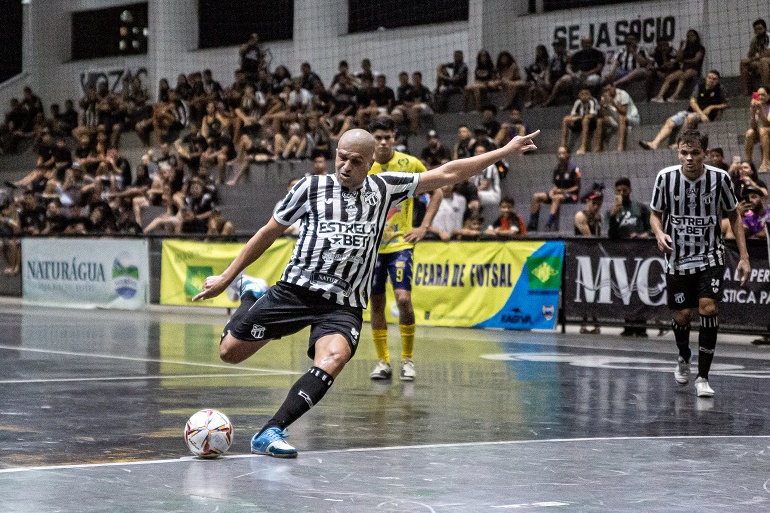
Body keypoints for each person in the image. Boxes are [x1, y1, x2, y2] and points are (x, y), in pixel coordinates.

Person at [191, 127, 539, 458]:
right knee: (229, 353)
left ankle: (271, 431)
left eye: (356, 161)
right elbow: (268, 232)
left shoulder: (385, 187)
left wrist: (504, 151)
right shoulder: (310, 188)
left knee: (334, 358)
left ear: (371, 163)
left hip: (342, 305)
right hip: (295, 292)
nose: (346, 166)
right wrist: (227, 277)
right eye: (341, 157)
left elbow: (448, 174)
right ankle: (252, 292)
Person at [649, 129, 750, 397]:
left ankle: (703, 377)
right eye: (685, 152)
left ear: (705, 153)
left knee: (707, 307)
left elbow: (735, 216)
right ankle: (684, 355)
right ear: (678, 151)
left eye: (695, 153)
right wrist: (659, 233)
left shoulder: (720, 179)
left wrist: (744, 256)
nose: (690, 158)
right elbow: (655, 215)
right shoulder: (665, 178)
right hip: (677, 258)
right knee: (681, 315)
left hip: (710, 255)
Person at [367, 116, 443, 382]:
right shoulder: (366, 164)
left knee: (402, 299)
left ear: (394, 138)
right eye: (378, 137)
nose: (384, 141)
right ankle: (383, 362)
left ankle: (407, 360)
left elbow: (438, 191)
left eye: (388, 136)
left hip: (401, 243)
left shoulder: (409, 163)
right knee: (376, 302)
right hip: (372, 246)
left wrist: (423, 227)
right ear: (372, 139)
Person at [607, 177, 651, 337]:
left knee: (640, 290)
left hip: (641, 254)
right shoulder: (611, 211)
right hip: (622, 256)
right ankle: (628, 325)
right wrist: (612, 216)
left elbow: (652, 229)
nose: (621, 193)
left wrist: (642, 235)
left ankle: (641, 326)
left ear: (630, 190)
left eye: (624, 190)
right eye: (618, 191)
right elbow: (610, 235)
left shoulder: (641, 208)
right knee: (624, 290)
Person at [640, 70, 727, 150]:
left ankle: (680, 143)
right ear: (706, 78)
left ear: (718, 80)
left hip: (706, 117)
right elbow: (692, 102)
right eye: (709, 77)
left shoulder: (720, 89)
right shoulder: (700, 86)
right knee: (670, 121)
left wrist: (711, 107)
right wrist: (701, 114)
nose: (711, 80)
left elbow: (726, 104)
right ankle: (654, 143)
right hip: (695, 112)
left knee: (690, 118)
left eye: (714, 79)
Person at [527, 146, 581, 231]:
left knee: (556, 198)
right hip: (559, 193)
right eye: (559, 153)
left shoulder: (574, 169)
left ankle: (549, 223)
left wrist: (563, 191)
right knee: (536, 196)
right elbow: (556, 185)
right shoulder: (557, 169)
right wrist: (552, 191)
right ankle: (532, 224)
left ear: (568, 155)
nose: (561, 156)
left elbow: (577, 187)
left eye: (563, 153)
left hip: (572, 195)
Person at [545, 37, 605, 107]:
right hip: (578, 74)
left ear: (592, 44)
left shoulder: (598, 53)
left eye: (588, 43)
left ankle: (587, 100)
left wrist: (587, 74)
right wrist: (572, 74)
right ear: (581, 44)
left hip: (592, 75)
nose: (586, 45)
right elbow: (568, 67)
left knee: (592, 80)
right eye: (584, 43)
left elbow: (599, 68)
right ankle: (552, 100)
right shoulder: (577, 55)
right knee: (565, 79)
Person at [575, 191, 603, 334]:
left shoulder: (598, 217)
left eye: (598, 203)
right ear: (587, 202)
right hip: (581, 257)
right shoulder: (581, 216)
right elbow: (590, 237)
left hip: (594, 257)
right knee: (584, 290)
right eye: (593, 202)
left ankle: (596, 323)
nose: (596, 206)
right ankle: (583, 323)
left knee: (595, 289)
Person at [651, 29, 705, 102]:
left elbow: (696, 60)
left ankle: (675, 95)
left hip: (694, 69)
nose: (690, 37)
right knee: (669, 77)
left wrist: (684, 61)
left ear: (696, 37)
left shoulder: (700, 48)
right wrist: (681, 47)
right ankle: (659, 96)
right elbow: (678, 58)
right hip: (684, 69)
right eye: (688, 36)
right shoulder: (686, 48)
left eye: (692, 35)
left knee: (683, 76)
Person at [593, 83, 639, 152]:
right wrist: (601, 106)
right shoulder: (604, 97)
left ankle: (620, 147)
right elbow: (602, 115)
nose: (607, 92)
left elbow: (624, 113)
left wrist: (613, 103)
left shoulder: (623, 94)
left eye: (609, 89)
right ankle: (598, 147)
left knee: (621, 117)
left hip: (631, 118)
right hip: (616, 120)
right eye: (605, 90)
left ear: (614, 87)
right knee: (600, 121)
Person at [561, 87, 598, 154]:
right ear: (579, 95)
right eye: (582, 94)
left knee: (585, 120)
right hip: (581, 120)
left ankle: (583, 146)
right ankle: (563, 146)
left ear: (589, 95)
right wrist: (572, 119)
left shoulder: (592, 101)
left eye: (586, 94)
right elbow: (573, 114)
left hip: (591, 123)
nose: (584, 96)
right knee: (565, 119)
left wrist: (579, 117)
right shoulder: (578, 102)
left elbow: (592, 115)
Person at [740, 19, 770, 96]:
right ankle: (746, 92)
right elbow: (750, 55)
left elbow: (768, 53)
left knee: (763, 61)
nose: (758, 31)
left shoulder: (769, 36)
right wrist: (753, 45)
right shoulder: (756, 39)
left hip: (766, 59)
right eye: (756, 30)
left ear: (765, 28)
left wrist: (751, 59)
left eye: (760, 29)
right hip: (760, 60)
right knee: (743, 63)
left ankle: (765, 90)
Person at [745, 85, 770, 173]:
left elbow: (767, 124)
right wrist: (753, 111)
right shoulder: (758, 106)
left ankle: (765, 162)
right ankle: (749, 163)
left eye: (763, 95)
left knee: (763, 130)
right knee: (750, 132)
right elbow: (754, 126)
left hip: (767, 130)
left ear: (768, 96)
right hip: (765, 133)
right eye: (758, 95)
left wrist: (761, 110)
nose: (760, 97)